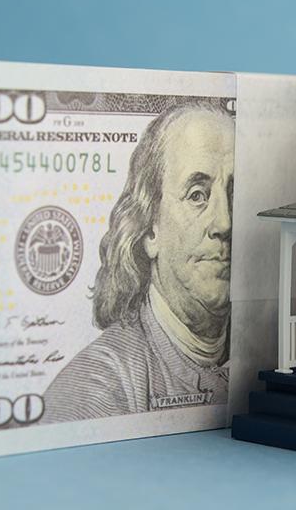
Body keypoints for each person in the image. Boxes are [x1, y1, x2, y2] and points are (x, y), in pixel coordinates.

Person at [42, 100, 233, 421]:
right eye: (197, 194)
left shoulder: (263, 353)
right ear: (150, 229)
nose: (225, 223)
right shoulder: (93, 390)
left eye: (233, 195)